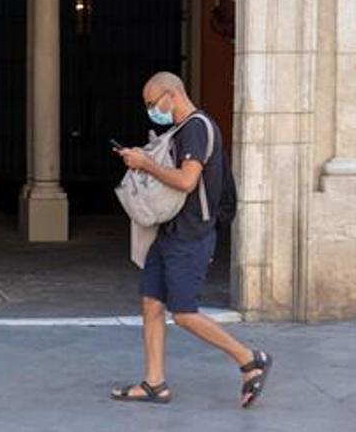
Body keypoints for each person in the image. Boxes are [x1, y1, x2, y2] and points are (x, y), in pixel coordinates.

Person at [111, 72, 272, 407]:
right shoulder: (181, 130)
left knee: (183, 313)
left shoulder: (197, 128)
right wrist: (143, 160)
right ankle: (155, 383)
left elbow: (186, 181)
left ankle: (249, 359)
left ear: (172, 95)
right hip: (169, 232)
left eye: (153, 103)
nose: (151, 110)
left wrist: (146, 164)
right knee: (151, 303)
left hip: (191, 235)